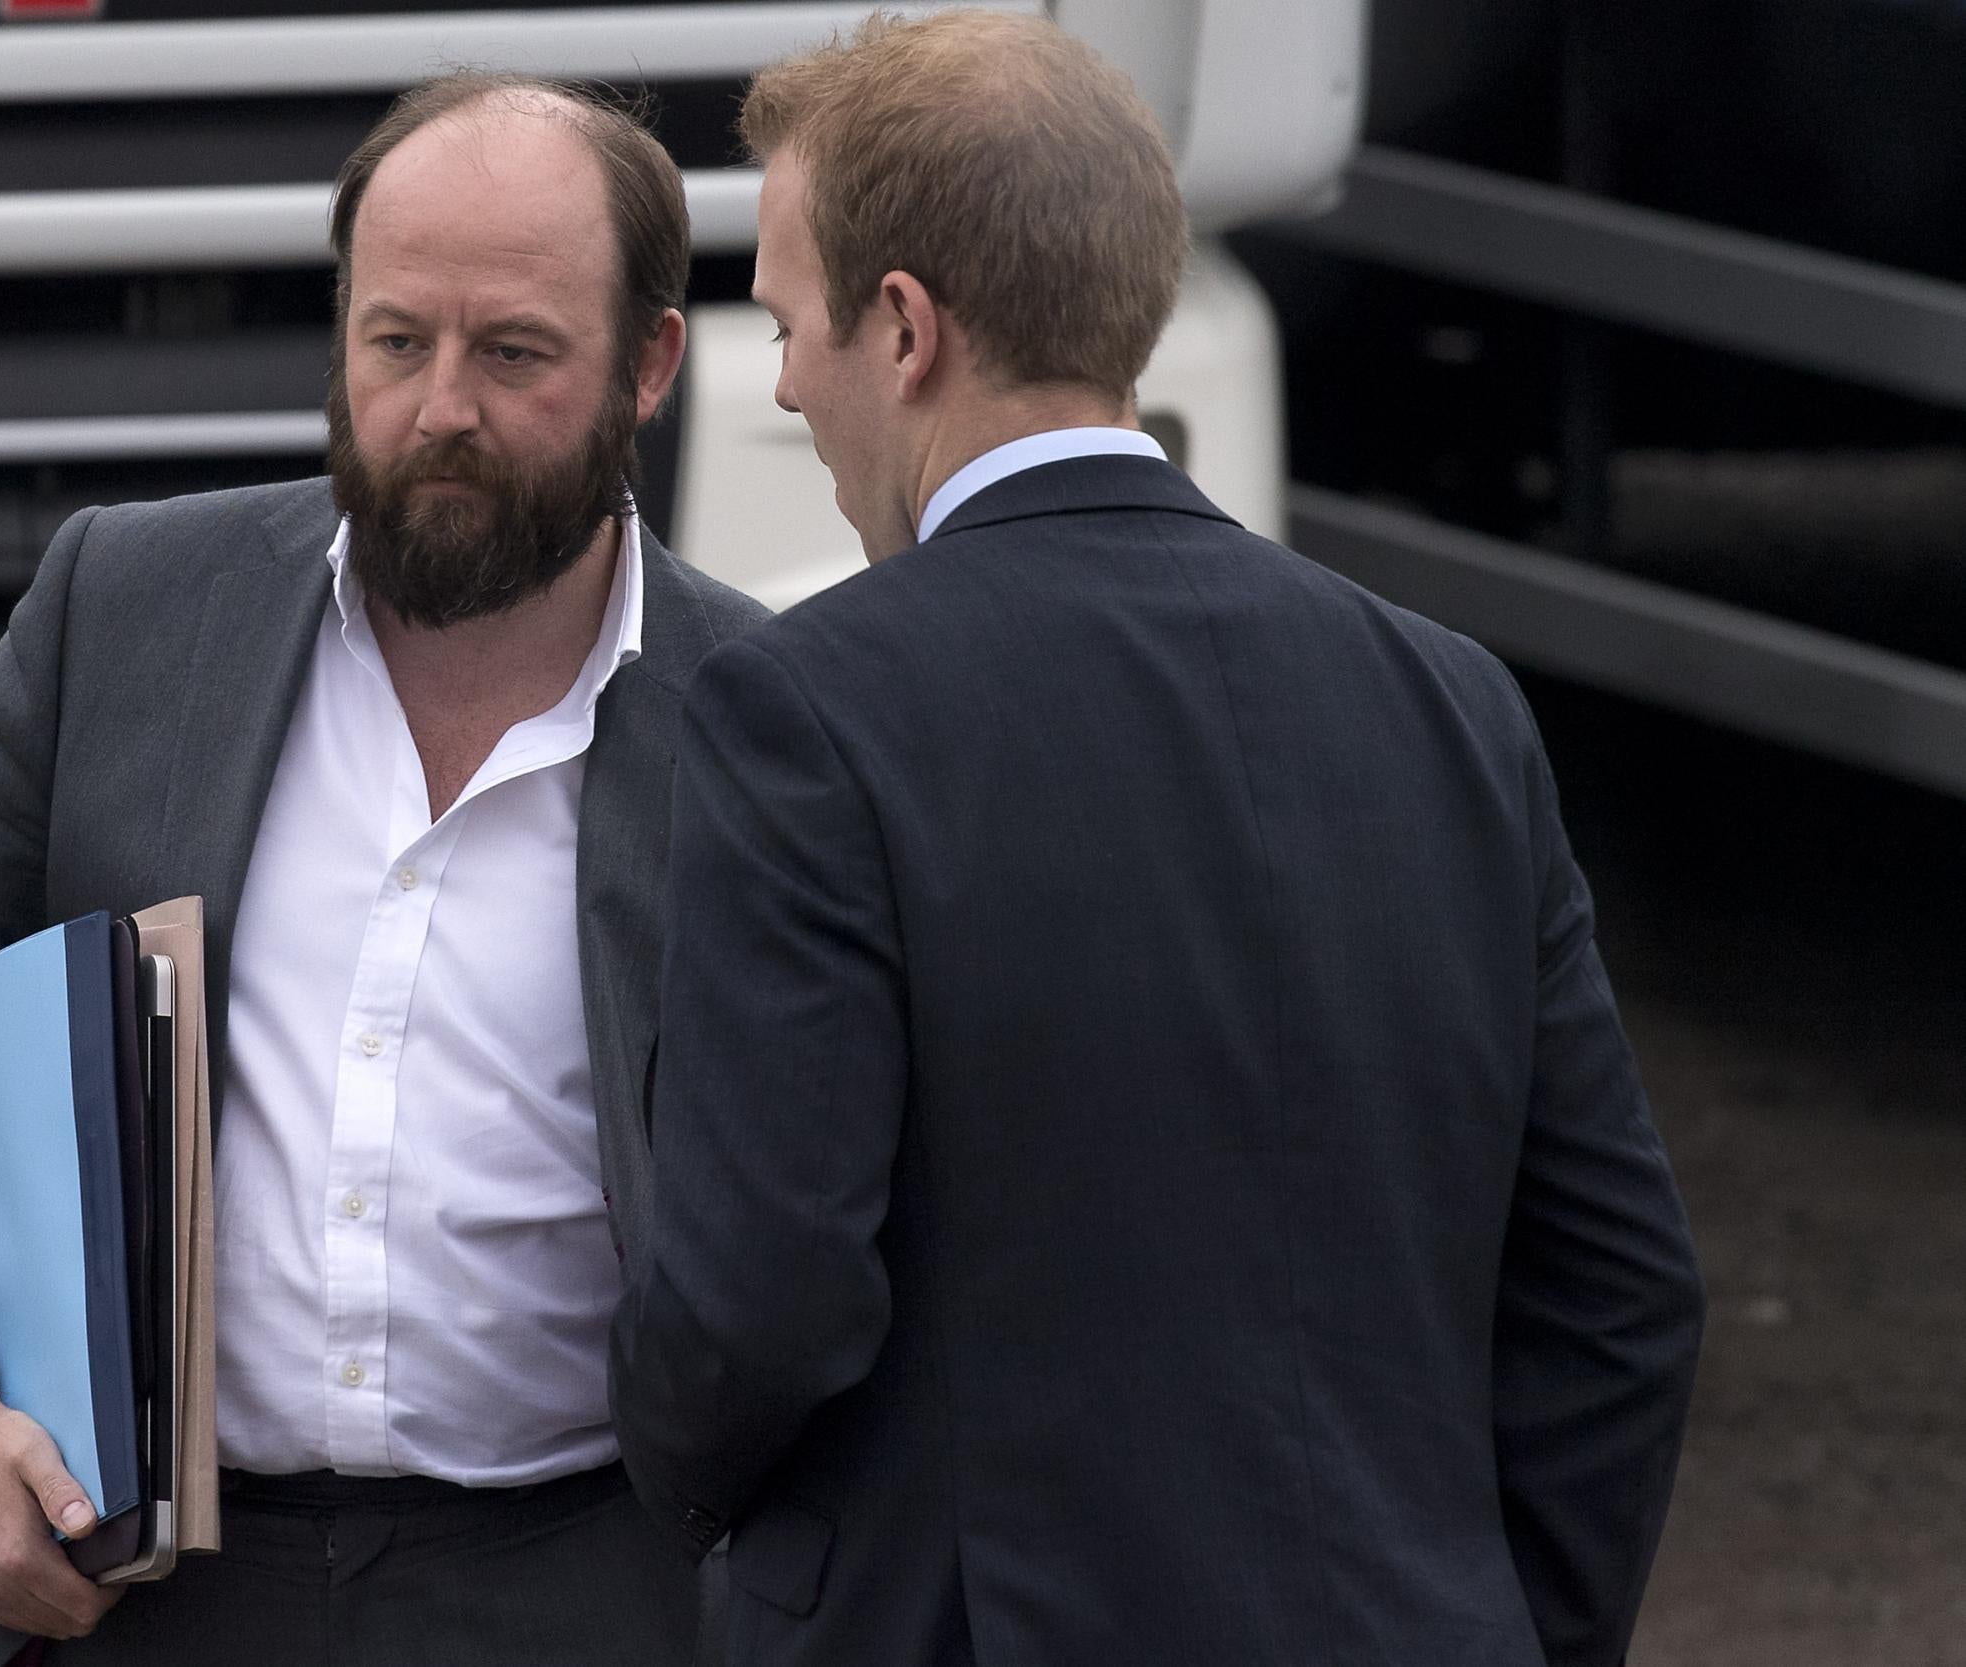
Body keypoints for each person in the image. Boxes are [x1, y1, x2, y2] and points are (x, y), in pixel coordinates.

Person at [608, 12, 1706, 1666]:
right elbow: (1618, 1295)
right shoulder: (1450, 703)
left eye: (785, 322)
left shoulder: (807, 713)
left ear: (905, 328)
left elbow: (756, 1306)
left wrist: (695, 1525)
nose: (782, 384)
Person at [0, 74, 764, 1664]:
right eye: (394, 341)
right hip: (143, 1599)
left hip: (589, 1593)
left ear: (650, 364)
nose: (441, 407)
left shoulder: (768, 723)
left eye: (512, 352)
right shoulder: (123, 609)